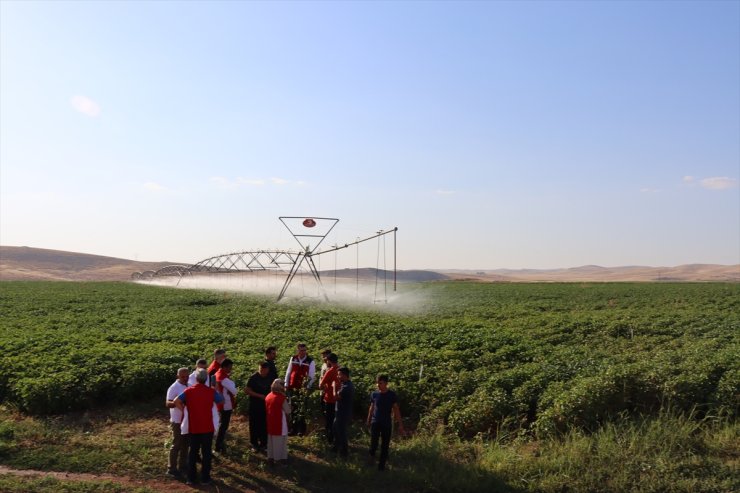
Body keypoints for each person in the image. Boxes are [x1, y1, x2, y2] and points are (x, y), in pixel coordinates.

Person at [174, 368, 224, 485]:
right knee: (206, 454)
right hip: (207, 427)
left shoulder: (189, 391)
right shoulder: (210, 392)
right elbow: (221, 401)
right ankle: (205, 478)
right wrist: (215, 389)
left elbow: (176, 401)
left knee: (192, 453)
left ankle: (191, 478)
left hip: (194, 427)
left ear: (196, 378)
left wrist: (185, 410)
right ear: (206, 378)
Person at [367, 374, 406, 471]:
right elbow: (371, 408)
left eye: (380, 383)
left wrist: (400, 425)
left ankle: (381, 466)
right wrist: (368, 420)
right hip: (375, 422)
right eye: (377, 383)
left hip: (386, 423)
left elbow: (396, 410)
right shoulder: (374, 394)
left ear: (386, 384)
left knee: (385, 445)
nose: (378, 385)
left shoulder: (391, 395)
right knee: (373, 443)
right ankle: (371, 458)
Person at [284, 343, 315, 435]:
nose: (303, 352)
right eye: (301, 350)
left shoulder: (310, 361)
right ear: (297, 350)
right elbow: (288, 372)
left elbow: (311, 376)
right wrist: (286, 384)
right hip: (292, 387)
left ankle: (301, 430)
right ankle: (293, 429)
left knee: (302, 409)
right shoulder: (293, 359)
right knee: (293, 408)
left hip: (303, 388)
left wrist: (307, 387)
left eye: (304, 350)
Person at [165, 367, 190, 478]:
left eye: (186, 376)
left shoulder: (188, 385)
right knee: (177, 444)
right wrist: (179, 403)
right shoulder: (174, 387)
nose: (185, 378)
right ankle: (171, 468)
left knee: (185, 444)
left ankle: (183, 465)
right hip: (177, 420)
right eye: (182, 376)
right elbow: (168, 403)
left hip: (186, 419)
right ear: (177, 376)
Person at [245, 361, 272, 452]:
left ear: (267, 370)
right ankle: (254, 444)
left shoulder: (270, 377)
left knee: (264, 425)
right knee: (254, 425)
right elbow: (247, 390)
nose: (262, 371)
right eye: (260, 369)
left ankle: (264, 443)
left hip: (266, 405)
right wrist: (259, 396)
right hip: (255, 405)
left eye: (264, 370)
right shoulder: (253, 378)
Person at [265, 378, 291, 466]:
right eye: (282, 385)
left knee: (271, 441)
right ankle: (279, 459)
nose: (284, 386)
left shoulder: (268, 396)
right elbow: (288, 411)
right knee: (280, 442)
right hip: (279, 422)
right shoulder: (281, 398)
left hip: (270, 421)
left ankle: (270, 458)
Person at [214, 358, 237, 454]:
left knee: (221, 424)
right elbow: (234, 391)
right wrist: (232, 383)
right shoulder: (224, 378)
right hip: (226, 404)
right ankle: (218, 445)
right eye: (229, 368)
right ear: (224, 367)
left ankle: (219, 443)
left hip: (219, 403)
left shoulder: (217, 374)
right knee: (223, 425)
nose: (230, 370)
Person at [332, 366, 354, 457]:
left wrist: (333, 387)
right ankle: (336, 448)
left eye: (339, 375)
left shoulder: (347, 387)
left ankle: (344, 452)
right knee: (336, 429)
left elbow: (336, 397)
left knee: (341, 432)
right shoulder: (345, 384)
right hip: (340, 412)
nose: (338, 376)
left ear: (345, 375)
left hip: (343, 413)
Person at [318, 353, 339, 444]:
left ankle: (330, 439)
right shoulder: (341, 370)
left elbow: (320, 385)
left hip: (329, 399)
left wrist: (326, 387)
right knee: (336, 419)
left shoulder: (330, 371)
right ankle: (337, 438)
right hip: (338, 399)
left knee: (329, 420)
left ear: (329, 361)